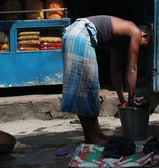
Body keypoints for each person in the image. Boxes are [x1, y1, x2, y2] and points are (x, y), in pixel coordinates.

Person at [60, 15, 152, 146]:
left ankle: (97, 134)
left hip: (76, 33)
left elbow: (115, 70)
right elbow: (131, 67)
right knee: (84, 90)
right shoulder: (135, 31)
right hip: (79, 34)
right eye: (142, 46)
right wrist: (131, 99)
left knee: (90, 89)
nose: (137, 48)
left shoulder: (118, 40)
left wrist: (122, 98)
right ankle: (91, 137)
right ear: (144, 36)